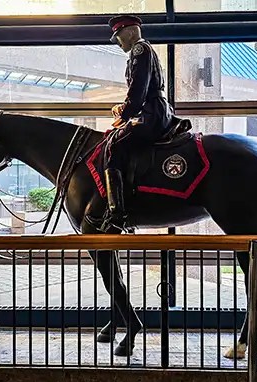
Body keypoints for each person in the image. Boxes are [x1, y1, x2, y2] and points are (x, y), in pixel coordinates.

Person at [101, 15, 174, 229]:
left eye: (119, 36)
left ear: (131, 32)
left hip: (151, 113)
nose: (118, 42)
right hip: (155, 110)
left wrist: (124, 114)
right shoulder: (144, 50)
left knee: (113, 147)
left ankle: (118, 214)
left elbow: (138, 90)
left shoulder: (139, 50)